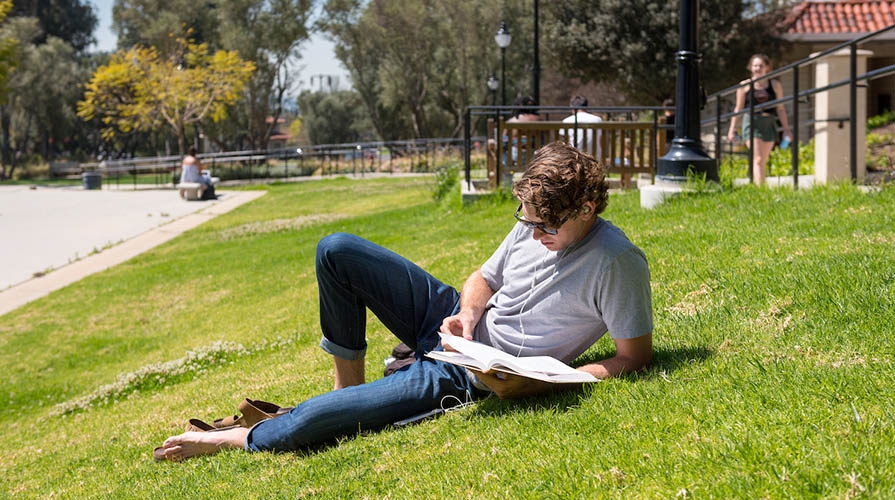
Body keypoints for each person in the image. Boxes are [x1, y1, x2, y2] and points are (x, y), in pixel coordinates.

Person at [154, 141, 654, 461]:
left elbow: (634, 357)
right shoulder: (535, 222)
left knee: (309, 422)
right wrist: (467, 313)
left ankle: (237, 438)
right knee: (337, 250)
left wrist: (546, 382)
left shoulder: (616, 262)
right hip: (453, 324)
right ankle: (346, 388)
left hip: (473, 372)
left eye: (547, 226)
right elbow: (484, 276)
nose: (534, 233)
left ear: (587, 209)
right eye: (527, 222)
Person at [726, 54, 793, 186]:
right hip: (752, 123)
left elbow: (780, 108)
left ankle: (759, 187)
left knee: (763, 159)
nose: (758, 68)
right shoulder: (744, 86)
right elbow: (738, 108)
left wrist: (786, 129)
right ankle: (761, 189)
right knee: (758, 159)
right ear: (750, 68)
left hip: (768, 123)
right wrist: (732, 129)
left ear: (767, 68)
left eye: (761, 66)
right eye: (755, 65)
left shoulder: (775, 85)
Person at [561, 95, 603, 160]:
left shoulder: (567, 121)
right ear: (586, 106)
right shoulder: (598, 120)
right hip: (595, 158)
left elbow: (565, 142)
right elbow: (600, 140)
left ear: (572, 107)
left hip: (575, 159)